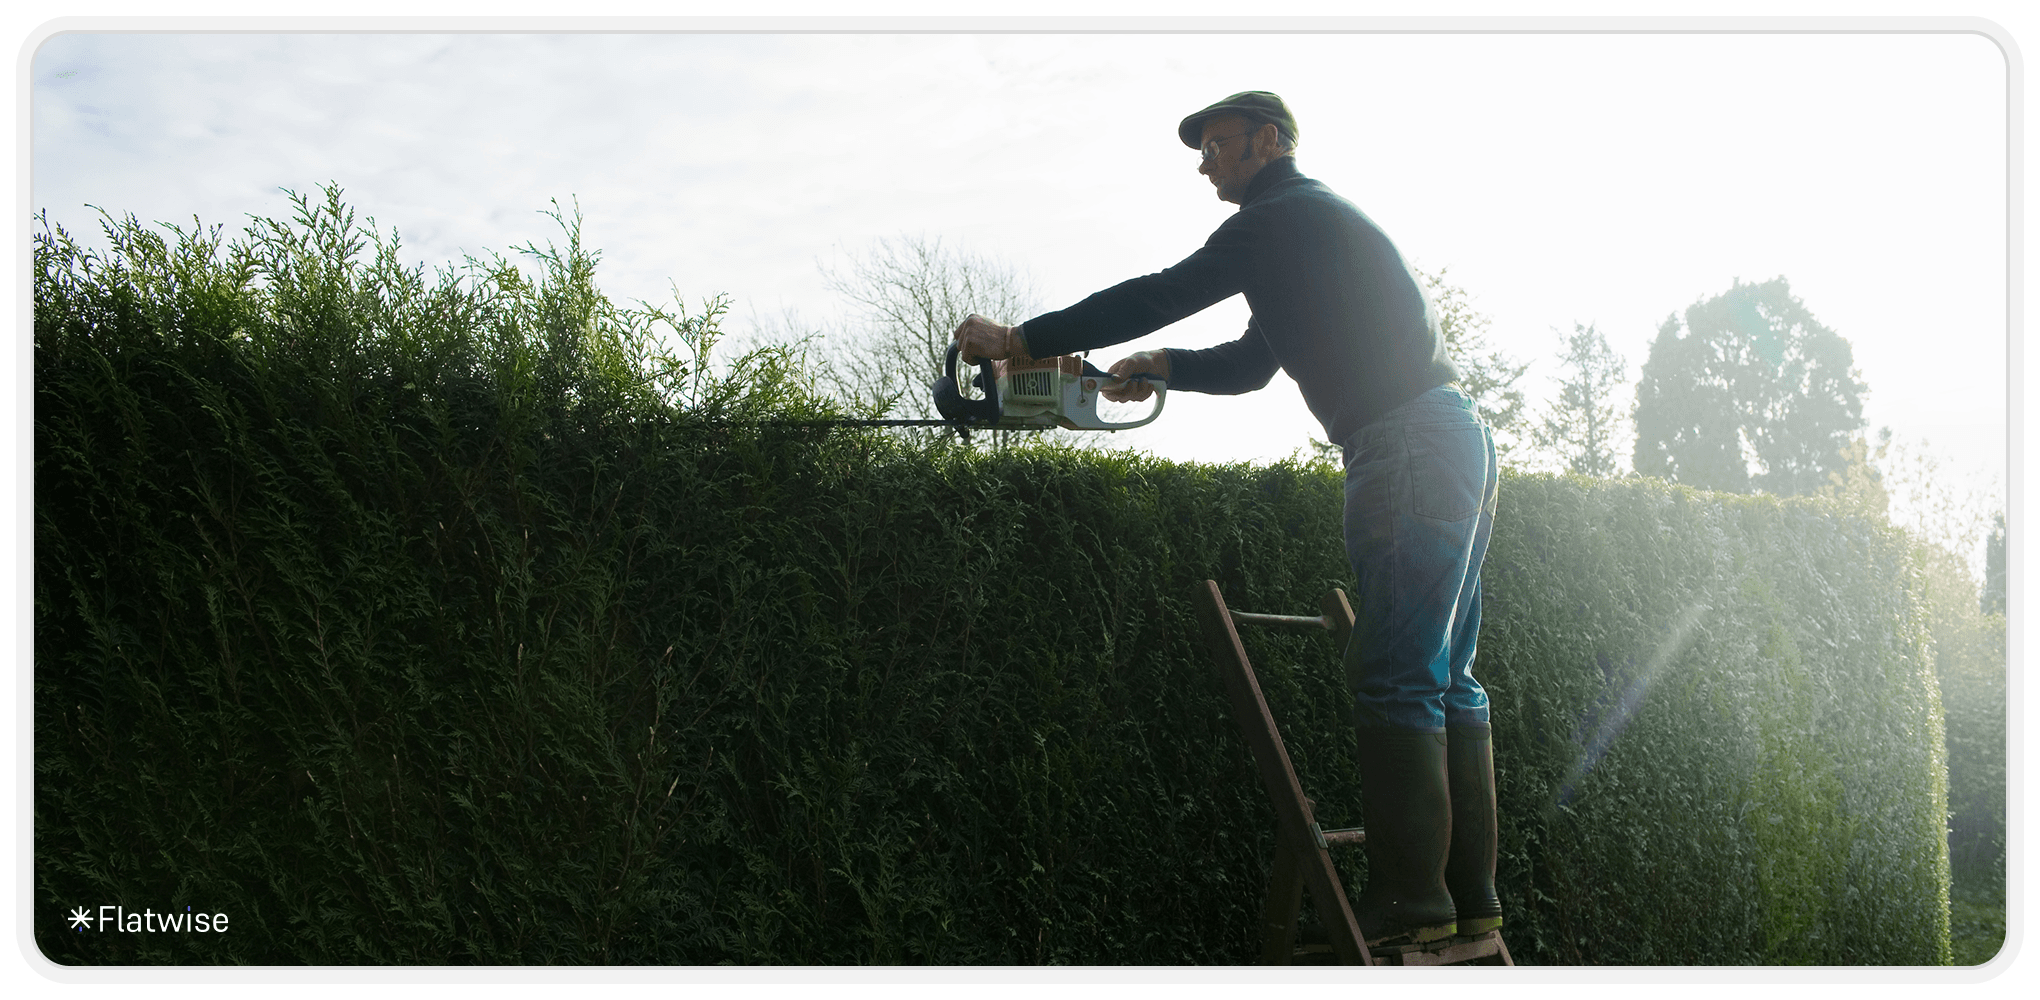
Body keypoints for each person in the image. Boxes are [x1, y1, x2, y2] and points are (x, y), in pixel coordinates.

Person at [949, 91, 1501, 949]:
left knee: (1394, 673)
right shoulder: (1307, 236)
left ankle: (1413, 904)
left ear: (1268, 142)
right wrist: (1165, 368)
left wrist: (1021, 337)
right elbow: (1252, 365)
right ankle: (1470, 898)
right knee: (1446, 675)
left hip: (1404, 446)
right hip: (1448, 438)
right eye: (1199, 150)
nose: (1204, 162)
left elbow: (1164, 291)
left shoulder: (1281, 214)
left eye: (1217, 145)